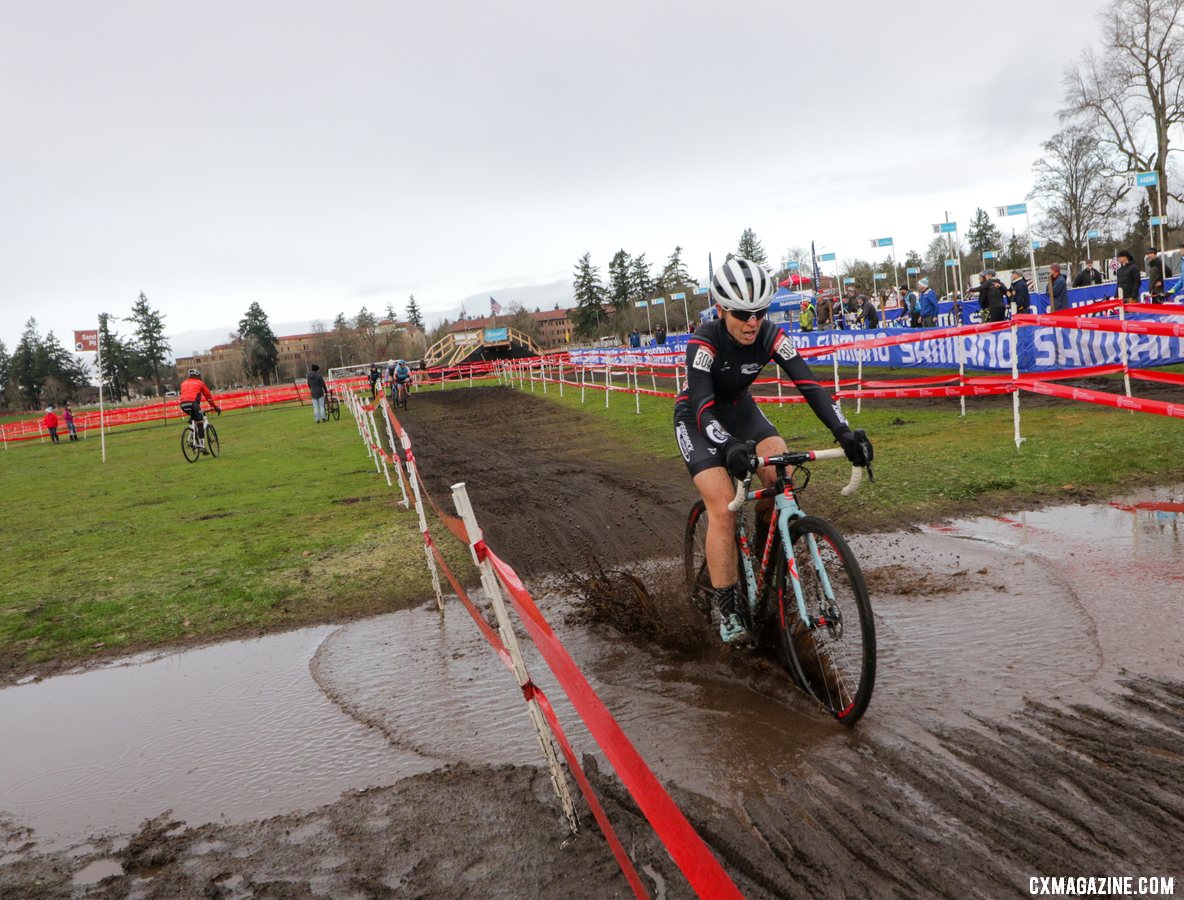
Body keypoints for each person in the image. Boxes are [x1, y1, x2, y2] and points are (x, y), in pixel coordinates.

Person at [673, 257, 873, 643]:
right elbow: (700, 406)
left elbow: (809, 385)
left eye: (760, 312)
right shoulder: (704, 341)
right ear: (721, 310)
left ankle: (766, 562)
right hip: (698, 419)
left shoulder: (770, 335)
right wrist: (729, 446)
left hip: (742, 412)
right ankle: (729, 609)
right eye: (743, 314)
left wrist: (843, 432)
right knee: (723, 506)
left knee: (781, 476)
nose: (752, 322)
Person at [178, 368, 221, 449]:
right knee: (200, 422)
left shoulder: (183, 383)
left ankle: (192, 430)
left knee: (194, 417)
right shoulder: (200, 383)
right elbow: (208, 397)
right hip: (193, 404)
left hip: (183, 405)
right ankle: (202, 446)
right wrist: (215, 407)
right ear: (198, 375)